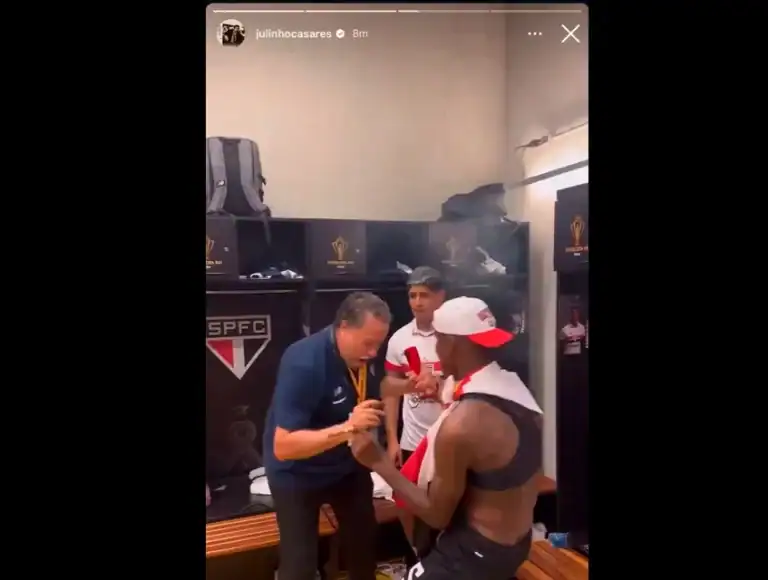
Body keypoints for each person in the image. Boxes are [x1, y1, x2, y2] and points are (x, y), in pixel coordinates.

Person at [350, 296, 543, 580]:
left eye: (438, 339)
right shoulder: (514, 390)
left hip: (477, 553)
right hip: (515, 542)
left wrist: (378, 461)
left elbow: (436, 515)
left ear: (450, 344)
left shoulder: (462, 425)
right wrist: (438, 392)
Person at [262, 292, 391, 580]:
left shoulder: (362, 356)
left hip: (344, 465)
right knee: (299, 564)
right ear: (343, 327)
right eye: (368, 343)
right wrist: (348, 427)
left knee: (363, 545)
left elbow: (378, 386)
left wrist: (409, 386)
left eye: (379, 344)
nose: (373, 352)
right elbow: (284, 446)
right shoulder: (304, 362)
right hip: (298, 472)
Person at [381, 267, 448, 557]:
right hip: (413, 441)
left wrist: (439, 387)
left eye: (424, 295)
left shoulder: (452, 337)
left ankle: (445, 560)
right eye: (413, 295)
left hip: (449, 440)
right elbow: (389, 390)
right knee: (407, 503)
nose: (417, 302)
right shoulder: (400, 339)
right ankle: (418, 557)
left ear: (440, 296)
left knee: (446, 507)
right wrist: (392, 439)